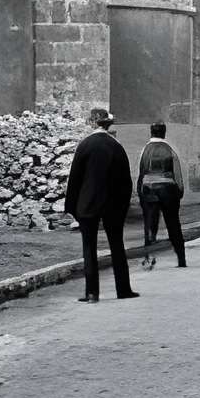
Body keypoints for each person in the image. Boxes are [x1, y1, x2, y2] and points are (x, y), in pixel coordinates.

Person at [64, 106, 138, 303]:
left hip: (87, 204)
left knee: (89, 247)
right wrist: (124, 205)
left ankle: (91, 293)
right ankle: (123, 289)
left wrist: (71, 207)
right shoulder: (117, 147)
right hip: (113, 205)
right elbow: (125, 181)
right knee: (117, 246)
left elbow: (75, 179)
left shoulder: (85, 145)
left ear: (91, 122)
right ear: (108, 124)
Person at [136, 120, 187, 270]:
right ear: (164, 132)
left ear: (151, 132)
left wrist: (140, 192)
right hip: (168, 190)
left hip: (149, 190)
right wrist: (180, 191)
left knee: (150, 225)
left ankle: (148, 258)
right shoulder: (170, 149)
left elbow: (140, 172)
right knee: (173, 224)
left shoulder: (145, 149)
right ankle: (181, 259)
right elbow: (177, 173)